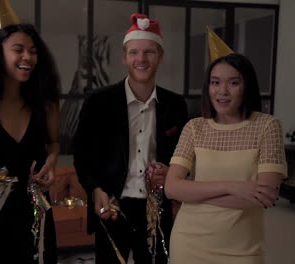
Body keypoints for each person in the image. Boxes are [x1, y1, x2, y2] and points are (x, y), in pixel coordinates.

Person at [74, 13, 188, 264]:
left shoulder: (176, 105)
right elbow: (82, 154)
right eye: (134, 52)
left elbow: (185, 156)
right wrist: (95, 190)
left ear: (160, 57)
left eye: (149, 52)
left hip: (156, 210)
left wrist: (171, 171)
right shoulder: (98, 102)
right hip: (113, 207)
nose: (141, 59)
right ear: (124, 57)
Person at [165, 53, 287, 264]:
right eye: (215, 82)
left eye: (233, 83)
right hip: (188, 243)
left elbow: (265, 196)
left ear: (246, 86)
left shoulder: (267, 126)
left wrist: (194, 193)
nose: (222, 91)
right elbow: (172, 188)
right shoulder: (195, 127)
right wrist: (233, 187)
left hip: (242, 250)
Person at [0, 23, 60, 263]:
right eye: (19, 49)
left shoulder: (46, 104)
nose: (28, 57)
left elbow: (54, 144)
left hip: (36, 213)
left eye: (33, 51)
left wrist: (52, 163)